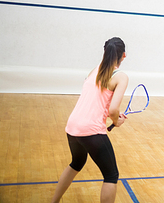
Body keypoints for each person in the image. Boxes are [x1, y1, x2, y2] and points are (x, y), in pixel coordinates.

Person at [51, 37, 129, 203]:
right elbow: (113, 110)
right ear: (124, 55)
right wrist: (116, 121)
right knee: (111, 175)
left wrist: (114, 117)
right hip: (91, 131)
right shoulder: (121, 76)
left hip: (73, 127)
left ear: (105, 52)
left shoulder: (94, 70)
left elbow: (97, 103)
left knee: (76, 163)